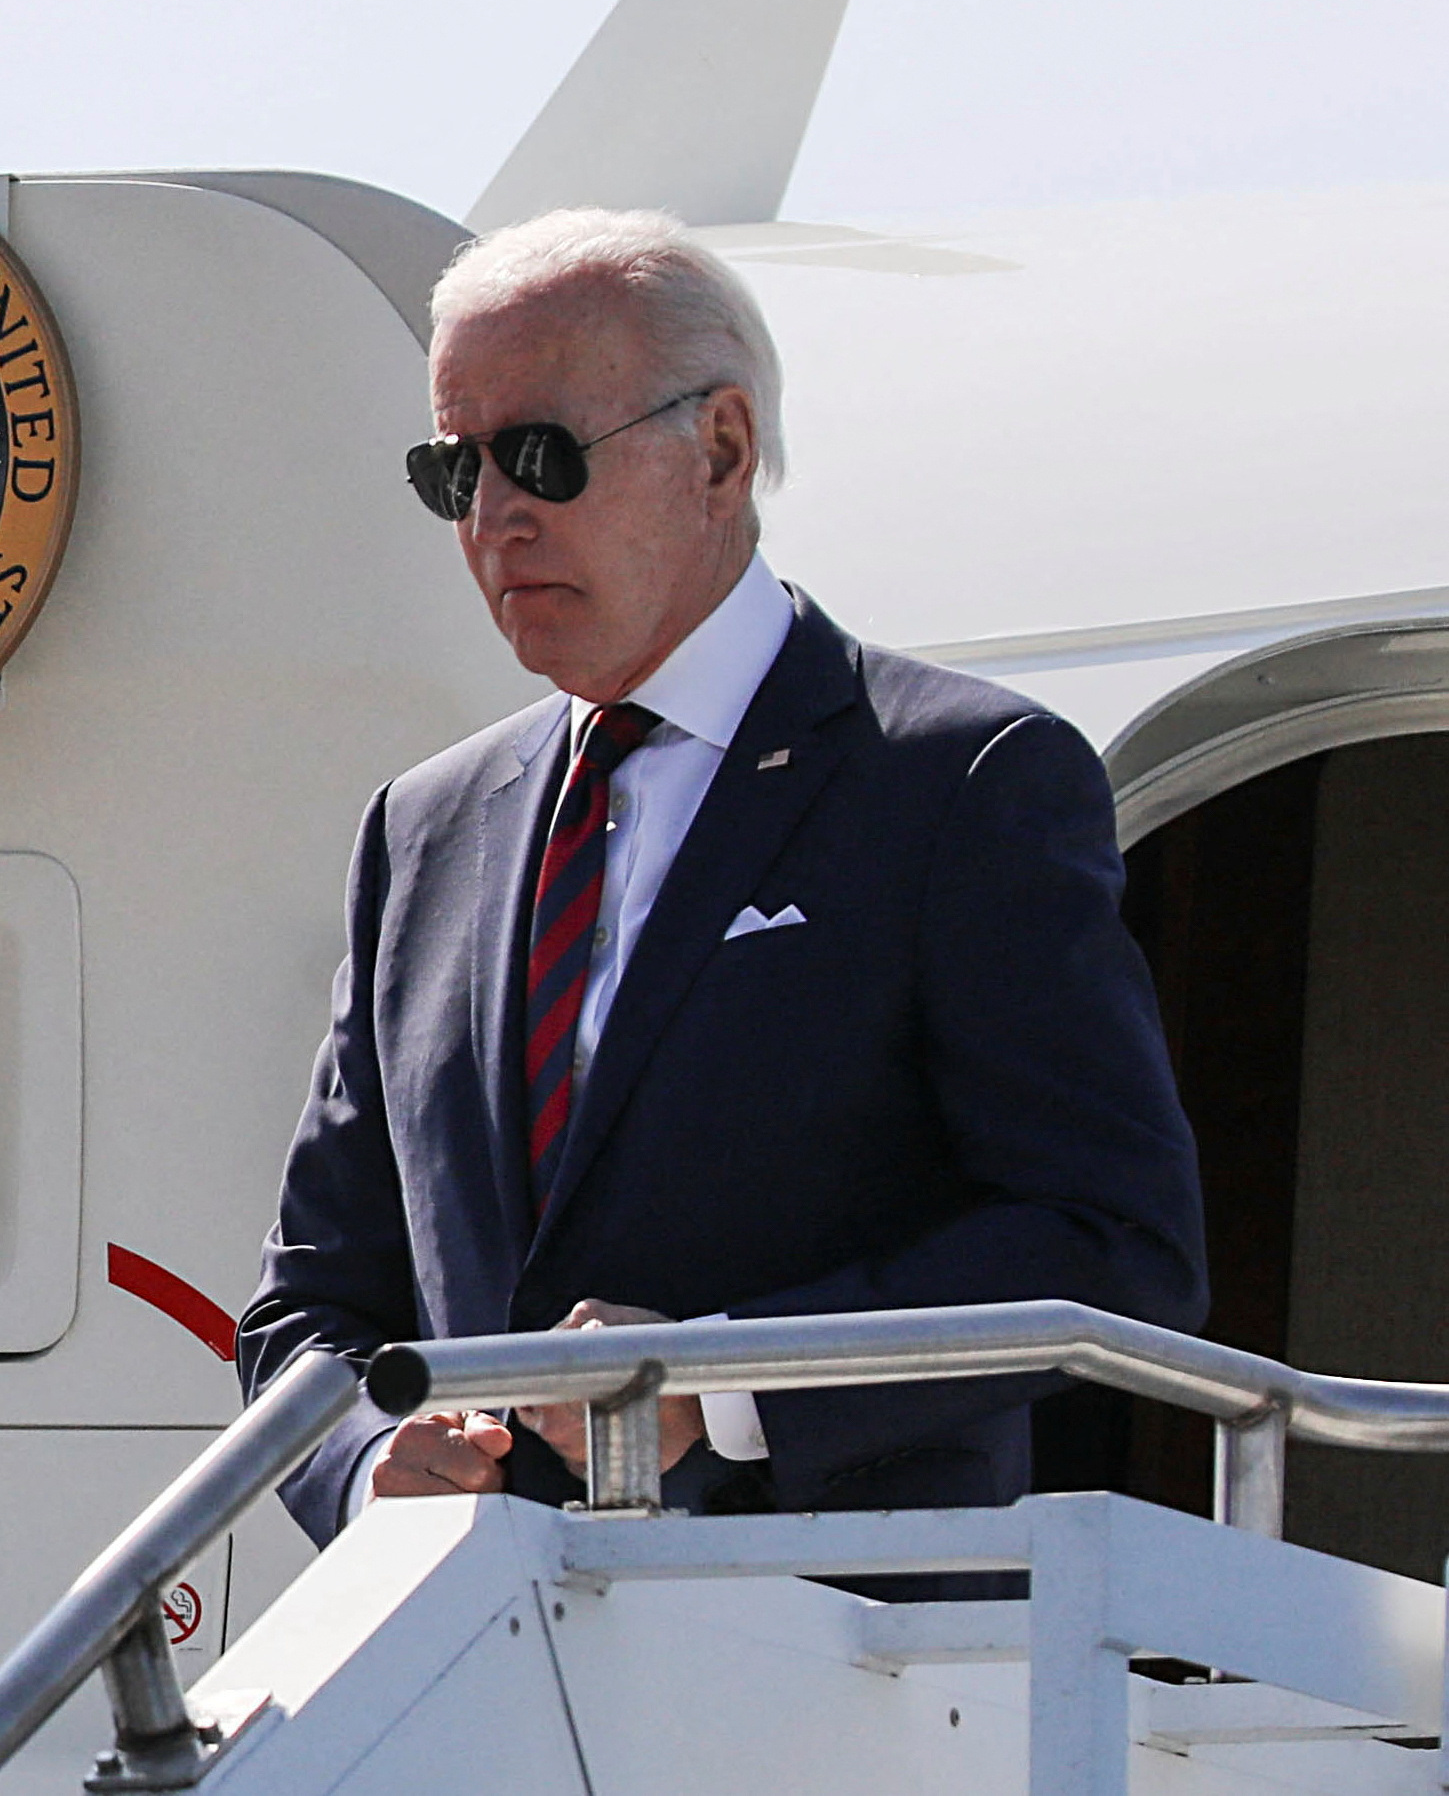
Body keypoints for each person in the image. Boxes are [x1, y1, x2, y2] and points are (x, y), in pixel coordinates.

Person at [235, 208, 1209, 1547]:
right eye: (453, 472)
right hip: (478, 1651)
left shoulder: (956, 777)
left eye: (540, 456)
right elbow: (308, 1307)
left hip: (846, 1663)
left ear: (721, 449)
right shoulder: (425, 828)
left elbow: (1110, 1243)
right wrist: (363, 1461)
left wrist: (724, 1379)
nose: (496, 518)